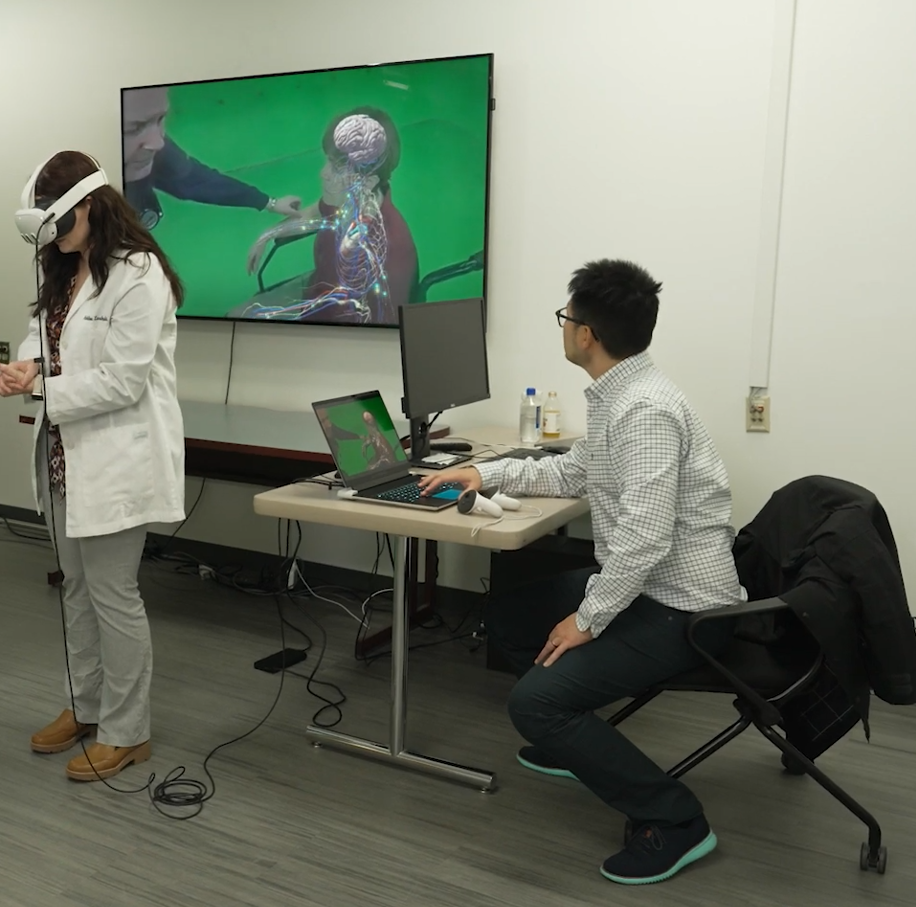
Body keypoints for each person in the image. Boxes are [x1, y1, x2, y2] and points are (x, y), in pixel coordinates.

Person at [419, 260, 742, 885]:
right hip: (647, 589)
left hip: (684, 609)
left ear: (586, 333)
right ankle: (577, 739)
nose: (564, 328)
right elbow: (572, 472)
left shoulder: (644, 411)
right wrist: (484, 473)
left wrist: (588, 620)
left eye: (567, 318)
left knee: (534, 705)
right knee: (509, 617)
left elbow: (646, 537)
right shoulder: (624, 394)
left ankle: (676, 821)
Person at [0, 150, 186, 782]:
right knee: (76, 590)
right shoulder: (66, 270)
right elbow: (43, 341)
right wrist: (25, 367)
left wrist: (40, 387)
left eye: (64, 227)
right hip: (64, 458)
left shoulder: (139, 273)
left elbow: (124, 381)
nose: (59, 241)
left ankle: (129, 732)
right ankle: (87, 706)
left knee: (112, 594)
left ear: (92, 206)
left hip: (117, 458)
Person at [241, 107, 418, 324]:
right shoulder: (347, 199)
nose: (322, 173)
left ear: (368, 181)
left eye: (335, 168)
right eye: (328, 162)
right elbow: (314, 212)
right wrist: (269, 234)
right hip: (319, 293)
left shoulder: (391, 253)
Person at [122, 86, 301, 229]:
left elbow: (196, 181)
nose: (158, 143)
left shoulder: (157, 153)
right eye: (133, 129)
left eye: (160, 119)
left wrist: (269, 202)